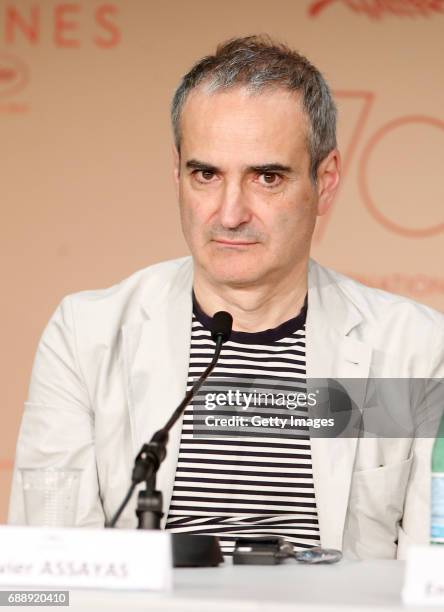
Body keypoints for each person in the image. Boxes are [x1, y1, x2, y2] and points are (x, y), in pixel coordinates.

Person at [8, 35, 444, 559]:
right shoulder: (88, 337)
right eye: (206, 174)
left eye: (267, 177)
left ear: (324, 182)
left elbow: (432, 577)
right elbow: (52, 562)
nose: (230, 213)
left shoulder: (416, 350)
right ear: (177, 175)